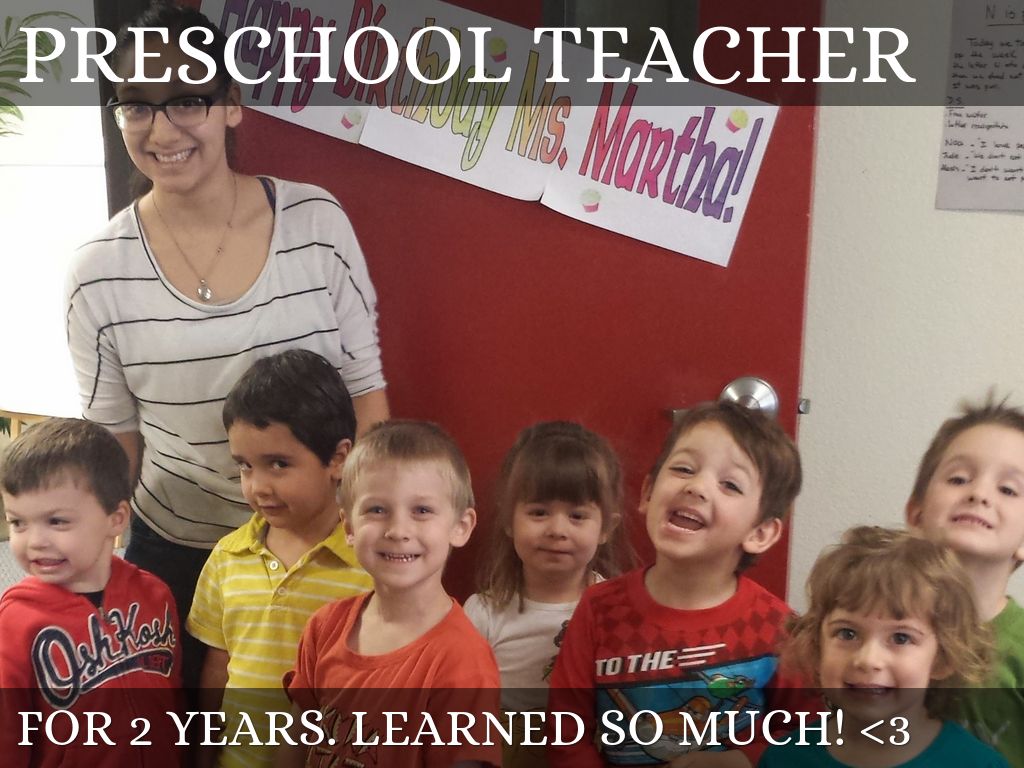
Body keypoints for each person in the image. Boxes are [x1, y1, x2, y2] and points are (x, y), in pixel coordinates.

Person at [64, 1, 388, 686]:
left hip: (323, 549)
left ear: (231, 105)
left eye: (188, 100)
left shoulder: (316, 222)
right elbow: (116, 439)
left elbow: (367, 397)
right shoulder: (96, 271)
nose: (162, 129)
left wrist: (374, 529)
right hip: (177, 553)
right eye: (137, 106)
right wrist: (88, 557)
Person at [548, 400, 806, 767]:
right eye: (684, 468)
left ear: (761, 532)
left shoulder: (779, 627)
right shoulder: (599, 609)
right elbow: (566, 732)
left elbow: (807, 732)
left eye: (730, 484)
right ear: (648, 493)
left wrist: (745, 759)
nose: (696, 486)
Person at [186, 350, 373, 768]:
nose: (258, 487)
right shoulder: (228, 557)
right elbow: (218, 670)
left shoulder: (370, 566)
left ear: (338, 458)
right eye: (245, 466)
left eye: (278, 464)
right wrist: (203, 754)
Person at [279, 421, 501, 768]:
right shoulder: (324, 628)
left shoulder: (463, 662)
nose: (398, 530)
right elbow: (294, 743)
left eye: (422, 511)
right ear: (349, 527)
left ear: (460, 527)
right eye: (377, 510)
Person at [0, 418, 181, 767]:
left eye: (56, 521)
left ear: (116, 519)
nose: (34, 541)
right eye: (18, 522)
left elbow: (172, 695)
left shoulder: (155, 595)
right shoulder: (16, 620)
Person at [758, 525, 1008, 767]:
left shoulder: (978, 764)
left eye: (901, 638)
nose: (868, 660)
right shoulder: (783, 759)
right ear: (816, 645)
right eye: (847, 633)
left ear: (943, 658)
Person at [464, 421, 631, 768]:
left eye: (577, 515)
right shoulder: (484, 612)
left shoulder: (616, 610)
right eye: (539, 513)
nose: (557, 530)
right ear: (509, 520)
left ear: (606, 528)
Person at [905, 395, 1024, 766]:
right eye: (959, 479)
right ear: (916, 514)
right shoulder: (870, 625)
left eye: (1008, 489)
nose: (979, 494)